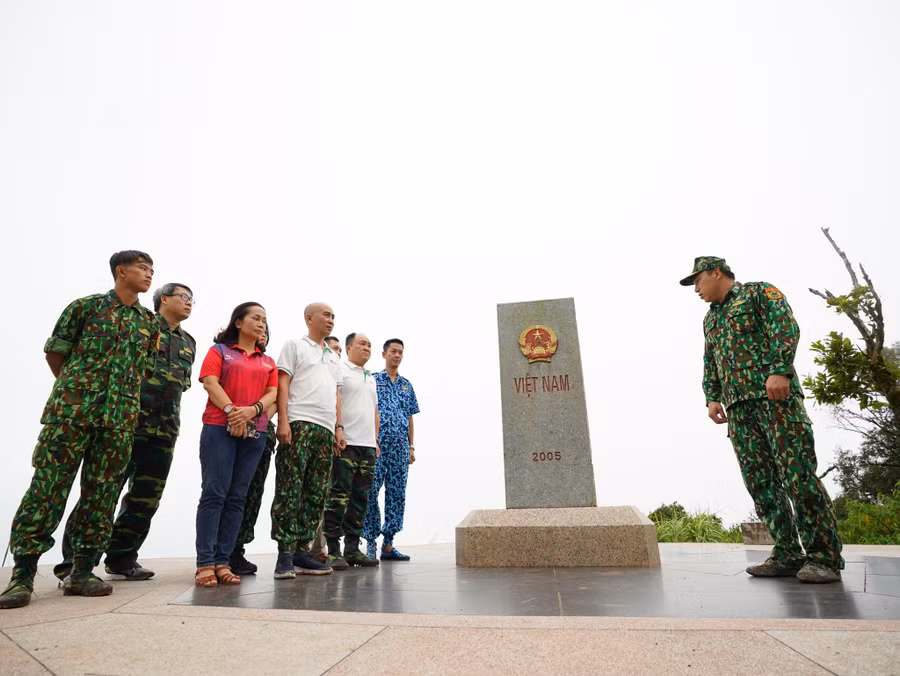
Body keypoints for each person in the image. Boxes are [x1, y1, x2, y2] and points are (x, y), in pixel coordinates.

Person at [0, 251, 159, 609]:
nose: (149, 274)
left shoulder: (148, 323)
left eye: (152, 270)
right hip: (70, 416)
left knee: (102, 496)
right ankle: (22, 575)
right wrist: (78, 391)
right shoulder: (85, 307)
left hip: (118, 422)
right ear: (121, 271)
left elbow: (143, 371)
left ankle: (82, 571)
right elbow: (56, 353)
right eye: (143, 268)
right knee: (47, 490)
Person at [680, 256, 844, 583]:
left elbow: (785, 328)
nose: (696, 288)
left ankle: (824, 558)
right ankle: (787, 553)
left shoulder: (758, 293)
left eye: (697, 280)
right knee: (761, 483)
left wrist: (780, 370)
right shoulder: (710, 319)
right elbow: (710, 360)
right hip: (739, 410)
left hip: (775, 400)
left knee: (797, 476)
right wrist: (712, 396)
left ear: (716, 273)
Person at [54, 283, 196, 582]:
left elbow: (180, 386)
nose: (189, 303)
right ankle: (74, 562)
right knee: (101, 492)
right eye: (184, 297)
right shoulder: (140, 325)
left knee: (145, 498)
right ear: (164, 298)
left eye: (192, 300)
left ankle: (122, 557)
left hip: (164, 429)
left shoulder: (188, 343)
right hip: (124, 422)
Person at [194, 303, 277, 587]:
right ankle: (205, 563)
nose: (262, 323)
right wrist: (232, 411)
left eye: (264, 320)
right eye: (256, 318)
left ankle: (223, 561)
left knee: (237, 497)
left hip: (255, 432)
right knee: (214, 492)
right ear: (238, 322)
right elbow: (210, 383)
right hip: (219, 427)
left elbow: (273, 393)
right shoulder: (219, 351)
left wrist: (251, 411)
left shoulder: (268, 361)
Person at [270, 303, 341, 579]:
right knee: (290, 488)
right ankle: (285, 553)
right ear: (309, 318)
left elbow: (336, 394)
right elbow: (283, 383)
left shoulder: (333, 356)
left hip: (326, 430)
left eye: (333, 316)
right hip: (299, 423)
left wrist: (338, 428)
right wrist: (284, 420)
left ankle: (302, 551)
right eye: (326, 315)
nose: (331, 320)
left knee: (316, 492)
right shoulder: (295, 345)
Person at [322, 333, 380, 569]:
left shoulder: (371, 377)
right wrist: (338, 430)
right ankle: (333, 550)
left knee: (360, 499)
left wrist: (375, 440)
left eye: (369, 345)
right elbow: (332, 401)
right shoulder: (340, 369)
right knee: (338, 496)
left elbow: (374, 411)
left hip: (368, 447)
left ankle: (353, 549)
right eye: (362, 344)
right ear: (348, 348)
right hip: (347, 444)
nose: (367, 348)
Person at [364, 338, 420, 561]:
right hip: (377, 446)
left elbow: (410, 417)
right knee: (371, 491)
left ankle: (388, 544)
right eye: (393, 351)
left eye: (400, 352)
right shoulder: (373, 380)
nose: (397, 355)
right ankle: (370, 542)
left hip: (400, 448)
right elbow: (366, 410)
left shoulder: (407, 385)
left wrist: (411, 446)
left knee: (396, 494)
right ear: (384, 354)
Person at [229, 329, 277, 576]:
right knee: (226, 490)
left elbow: (275, 398)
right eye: (258, 325)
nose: (263, 332)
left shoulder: (269, 365)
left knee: (252, 493)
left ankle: (236, 549)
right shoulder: (231, 358)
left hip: (261, 432)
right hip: (230, 425)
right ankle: (218, 549)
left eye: (267, 329)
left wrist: (259, 418)